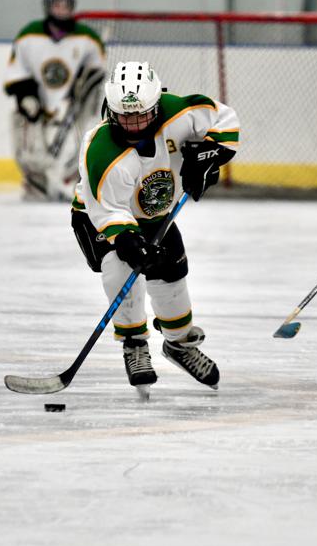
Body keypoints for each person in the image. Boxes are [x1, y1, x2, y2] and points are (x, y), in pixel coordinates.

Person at [70, 61, 239, 397]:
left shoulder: (181, 111)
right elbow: (107, 209)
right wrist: (129, 240)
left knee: (172, 276)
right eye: (124, 116)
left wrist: (209, 157)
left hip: (154, 216)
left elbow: (225, 120)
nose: (133, 124)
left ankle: (179, 344)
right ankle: (134, 343)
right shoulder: (101, 150)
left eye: (141, 115)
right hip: (99, 218)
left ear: (157, 105)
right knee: (121, 268)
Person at [3, 0, 106, 201]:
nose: (61, 9)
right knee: (27, 140)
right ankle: (38, 184)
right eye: (56, 5)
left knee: (85, 138)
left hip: (74, 107)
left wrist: (84, 88)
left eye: (65, 5)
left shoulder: (87, 38)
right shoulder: (29, 35)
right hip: (39, 106)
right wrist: (26, 96)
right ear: (48, 8)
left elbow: (97, 72)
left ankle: (74, 183)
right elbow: (16, 71)